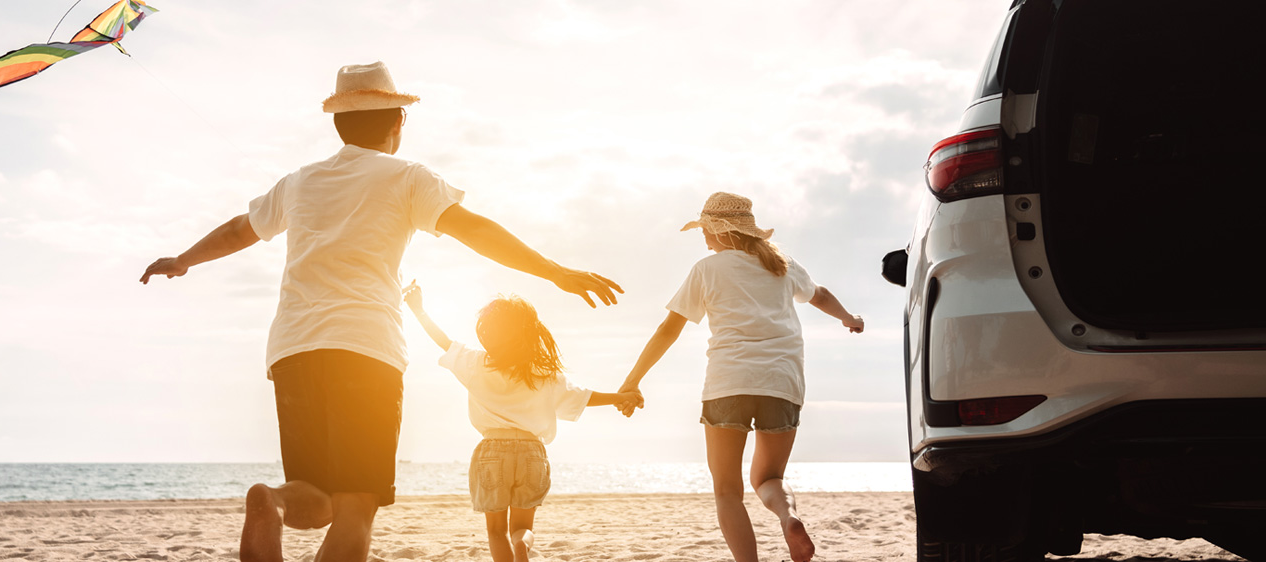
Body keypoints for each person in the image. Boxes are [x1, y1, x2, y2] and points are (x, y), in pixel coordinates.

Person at [137, 62, 622, 562]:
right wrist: (555, 272)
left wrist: (184, 260)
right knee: (356, 507)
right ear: (398, 124)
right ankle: (276, 502)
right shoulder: (408, 177)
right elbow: (475, 230)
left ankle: (274, 501)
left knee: (314, 496)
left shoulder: (300, 181)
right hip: (366, 351)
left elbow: (242, 228)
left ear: (338, 124)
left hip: (293, 350)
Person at [615, 192, 863, 562]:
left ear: (721, 230)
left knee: (727, 491)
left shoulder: (707, 269)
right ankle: (788, 515)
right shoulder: (782, 263)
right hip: (782, 383)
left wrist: (632, 379)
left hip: (728, 383)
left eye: (705, 229)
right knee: (768, 479)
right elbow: (820, 295)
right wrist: (848, 318)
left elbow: (669, 330)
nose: (702, 237)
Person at [402, 281, 642, 562]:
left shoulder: (475, 363)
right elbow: (585, 397)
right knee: (523, 527)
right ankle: (522, 545)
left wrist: (418, 309)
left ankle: (512, 550)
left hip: (491, 451)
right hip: (531, 452)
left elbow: (441, 339)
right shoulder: (544, 373)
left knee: (495, 531)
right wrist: (620, 397)